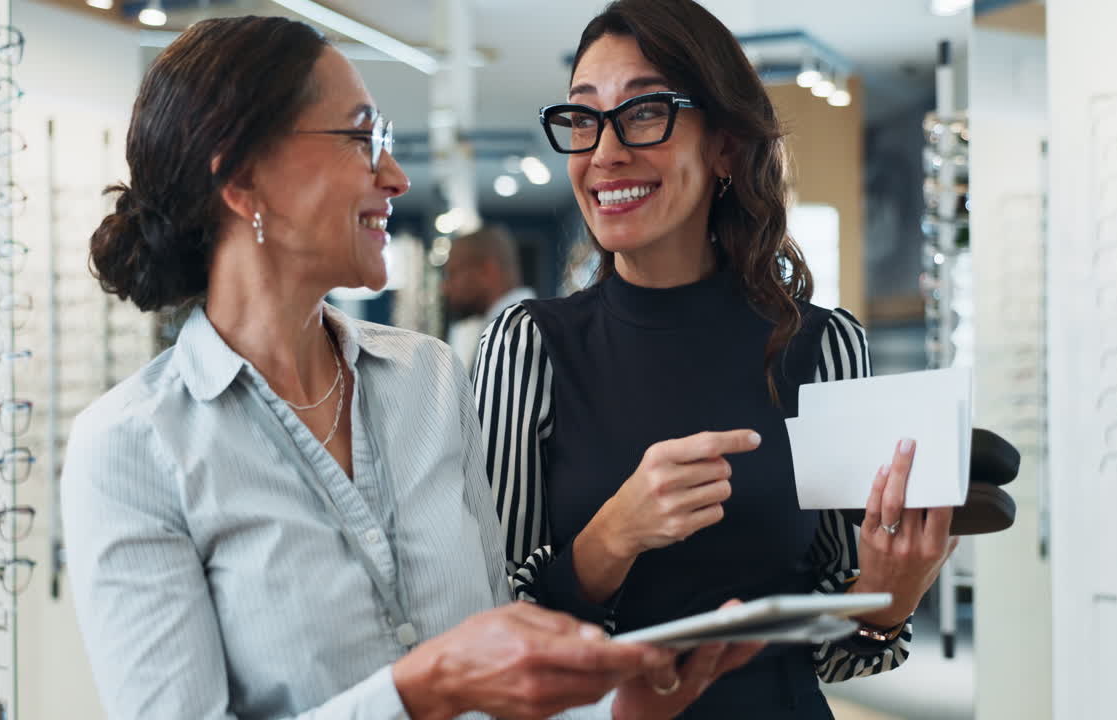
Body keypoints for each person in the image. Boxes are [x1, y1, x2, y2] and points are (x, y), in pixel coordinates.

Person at [62, 15, 760, 720]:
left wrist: (622, 710)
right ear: (243, 178)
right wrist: (422, 691)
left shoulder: (429, 380)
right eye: (362, 139)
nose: (393, 175)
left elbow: (503, 674)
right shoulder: (132, 448)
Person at [474, 1, 957, 717]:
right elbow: (489, 621)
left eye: (644, 113)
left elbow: (836, 646)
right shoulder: (528, 345)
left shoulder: (822, 347)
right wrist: (612, 537)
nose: (604, 151)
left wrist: (889, 595)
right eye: (583, 119)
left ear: (725, 146)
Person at [442, 225, 536, 370]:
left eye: (453, 274)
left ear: (487, 271)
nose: (446, 288)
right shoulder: (509, 327)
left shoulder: (516, 332)